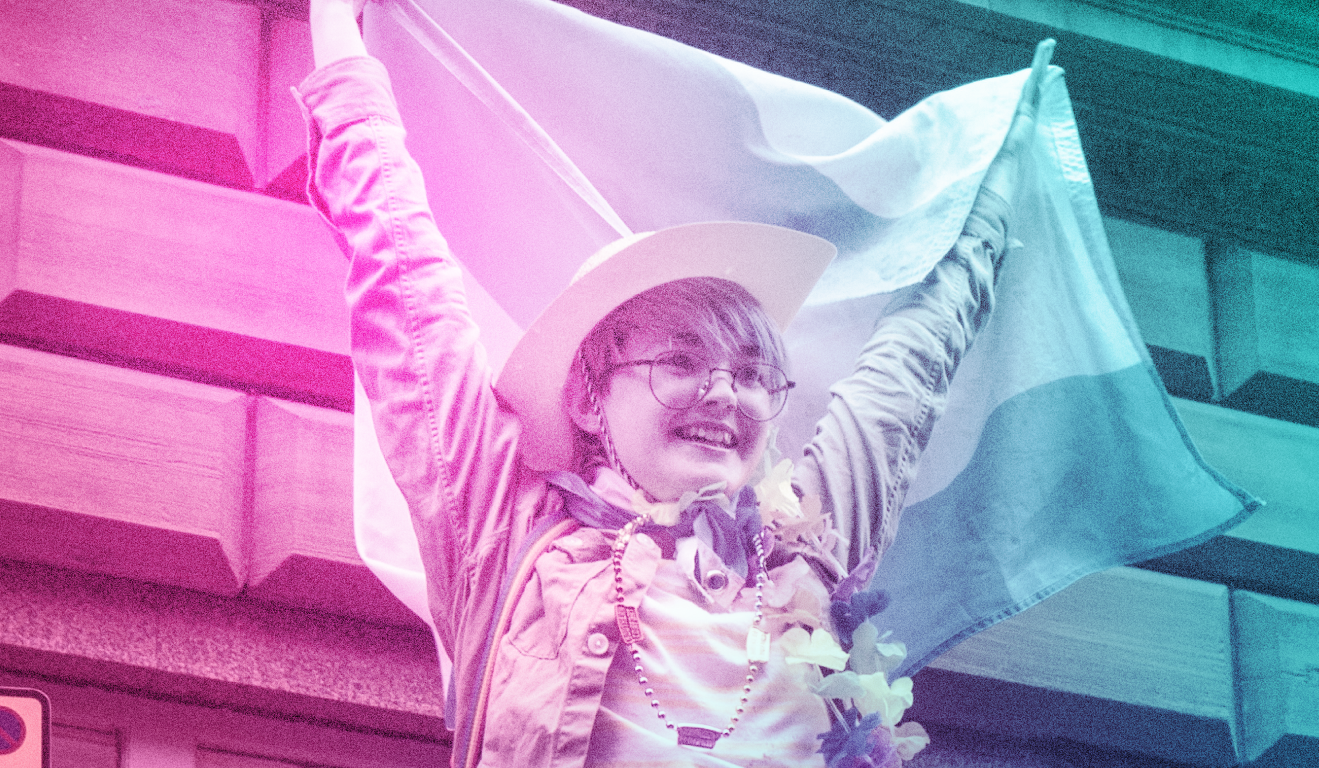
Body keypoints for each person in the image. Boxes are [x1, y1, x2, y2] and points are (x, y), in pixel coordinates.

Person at [300, 1, 1054, 765]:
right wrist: (335, 34)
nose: (726, 392)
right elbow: (403, 279)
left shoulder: (814, 545)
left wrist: (997, 188)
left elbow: (911, 366)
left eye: (755, 373)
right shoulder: (505, 537)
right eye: (682, 361)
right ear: (590, 397)